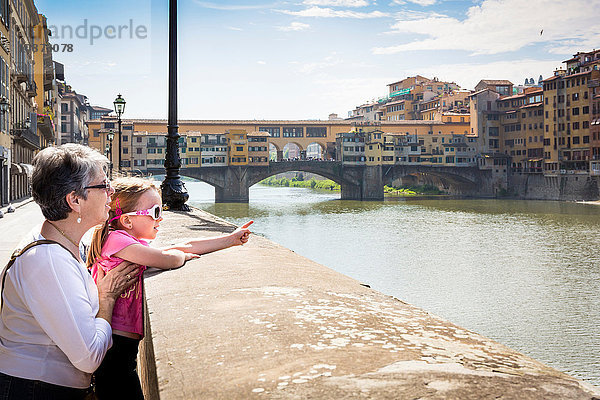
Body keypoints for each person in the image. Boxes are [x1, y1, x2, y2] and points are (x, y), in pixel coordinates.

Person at [87, 176, 252, 400]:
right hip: (115, 346)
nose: (162, 218)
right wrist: (181, 257)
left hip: (120, 343)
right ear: (127, 221)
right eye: (155, 212)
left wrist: (229, 240)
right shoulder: (117, 241)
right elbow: (168, 258)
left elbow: (183, 245)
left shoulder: (126, 242)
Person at [0, 144, 141, 400]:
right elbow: (89, 357)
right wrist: (106, 299)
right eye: (103, 185)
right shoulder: (48, 260)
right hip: (34, 390)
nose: (111, 192)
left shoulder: (61, 243)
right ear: (74, 200)